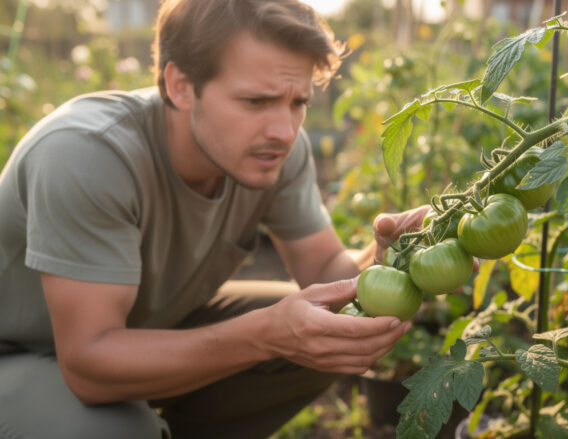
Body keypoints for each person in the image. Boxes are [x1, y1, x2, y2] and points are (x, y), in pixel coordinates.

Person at [0, 0, 429, 437]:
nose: (284, 130)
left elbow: (325, 273)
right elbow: (89, 366)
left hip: (140, 332)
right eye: (255, 101)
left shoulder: (273, 150)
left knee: (321, 328)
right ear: (180, 85)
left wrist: (392, 262)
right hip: (21, 353)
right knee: (116, 432)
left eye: (298, 102)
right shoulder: (87, 154)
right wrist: (264, 335)